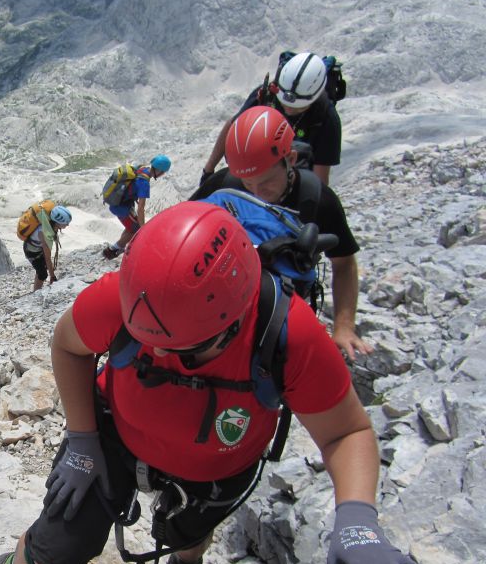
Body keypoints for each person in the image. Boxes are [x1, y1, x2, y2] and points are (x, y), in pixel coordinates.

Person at [0, 201, 437, 564]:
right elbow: (69, 344)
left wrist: (357, 518)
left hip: (217, 466)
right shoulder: (132, 297)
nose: (154, 355)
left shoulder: (290, 336)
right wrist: (81, 441)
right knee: (60, 545)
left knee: (190, 530)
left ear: (232, 323)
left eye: (178, 350)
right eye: (146, 342)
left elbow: (346, 432)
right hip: (115, 437)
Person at [192, 105, 372, 359]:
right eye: (248, 183)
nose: (256, 192)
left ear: (290, 160)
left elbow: (343, 264)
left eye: (266, 182)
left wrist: (343, 328)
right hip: (222, 311)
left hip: (281, 312)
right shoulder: (225, 184)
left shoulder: (317, 200)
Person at [202, 52, 341, 186]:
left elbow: (320, 179)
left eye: (298, 107)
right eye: (284, 103)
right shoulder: (267, 94)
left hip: (291, 184)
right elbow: (233, 126)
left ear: (315, 97)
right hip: (251, 172)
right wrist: (208, 170)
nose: (289, 110)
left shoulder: (326, 119)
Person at [101, 155, 171, 260]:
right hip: (122, 208)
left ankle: (120, 246)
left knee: (131, 227)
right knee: (136, 230)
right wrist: (143, 228)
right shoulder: (144, 182)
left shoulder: (142, 168)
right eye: (163, 171)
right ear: (159, 170)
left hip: (122, 204)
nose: (163, 174)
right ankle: (112, 251)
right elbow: (141, 207)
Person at [23, 204, 72, 291]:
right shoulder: (45, 232)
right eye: (66, 223)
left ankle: (36, 289)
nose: (67, 225)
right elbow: (47, 258)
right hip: (32, 252)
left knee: (42, 268)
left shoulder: (49, 223)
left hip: (35, 247)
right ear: (58, 222)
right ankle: (36, 293)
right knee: (43, 274)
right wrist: (52, 276)